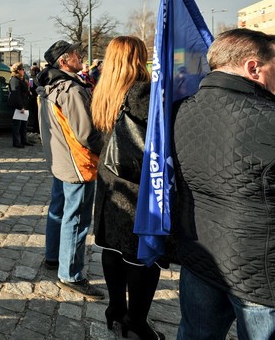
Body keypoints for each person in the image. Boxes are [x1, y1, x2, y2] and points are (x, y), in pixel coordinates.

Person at [173, 28, 275, 339]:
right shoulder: (268, 117)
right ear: (253, 67)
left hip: (201, 254)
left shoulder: (180, 110)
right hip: (258, 270)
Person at [91, 36, 164, 339]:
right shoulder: (142, 93)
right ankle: (136, 319)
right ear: (137, 58)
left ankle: (116, 308)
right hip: (136, 181)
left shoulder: (104, 90)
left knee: (112, 246)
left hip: (110, 178)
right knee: (141, 254)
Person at [37, 40, 104, 300]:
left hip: (61, 159)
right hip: (77, 161)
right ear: (63, 61)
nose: (81, 56)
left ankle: (53, 257)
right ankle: (71, 274)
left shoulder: (48, 86)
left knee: (58, 211)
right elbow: (86, 133)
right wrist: (105, 147)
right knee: (76, 218)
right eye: (76, 54)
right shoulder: (71, 89)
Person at [8, 62, 32, 148]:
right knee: (17, 125)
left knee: (24, 124)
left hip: (24, 105)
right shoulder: (14, 80)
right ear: (18, 70)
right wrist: (20, 106)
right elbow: (16, 95)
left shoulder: (21, 79)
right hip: (18, 106)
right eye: (22, 69)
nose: (23, 71)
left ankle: (24, 140)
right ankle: (16, 142)